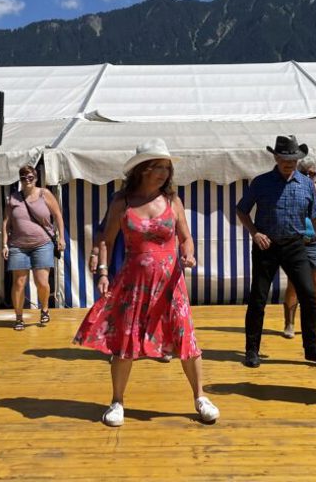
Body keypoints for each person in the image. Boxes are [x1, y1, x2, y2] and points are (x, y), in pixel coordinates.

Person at [73, 138, 219, 426]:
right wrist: (103, 271)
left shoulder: (173, 201)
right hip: (133, 283)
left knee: (185, 337)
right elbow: (107, 239)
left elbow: (186, 238)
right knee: (126, 342)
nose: (164, 173)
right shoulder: (122, 201)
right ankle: (117, 401)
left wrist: (189, 254)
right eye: (158, 167)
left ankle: (200, 397)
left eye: (166, 167)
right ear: (142, 169)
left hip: (170, 283)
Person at [237, 135, 316, 368]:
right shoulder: (261, 183)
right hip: (267, 245)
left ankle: (311, 348)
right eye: (284, 158)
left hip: (295, 244)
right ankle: (252, 350)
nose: (289, 163)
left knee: (309, 294)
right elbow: (241, 210)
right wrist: (254, 233)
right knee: (258, 297)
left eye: (293, 159)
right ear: (276, 157)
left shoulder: (307, 184)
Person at [2, 164, 66, 330]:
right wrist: (4, 244)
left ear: (36, 178)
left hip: (42, 243)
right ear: (20, 180)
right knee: (19, 282)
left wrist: (61, 238)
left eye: (30, 177)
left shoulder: (45, 194)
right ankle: (18, 317)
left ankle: (44, 309)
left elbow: (58, 215)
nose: (27, 180)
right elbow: (6, 223)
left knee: (42, 282)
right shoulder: (13, 198)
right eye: (23, 178)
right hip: (18, 245)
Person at [282, 156, 316, 338]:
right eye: (306, 173)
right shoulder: (291, 188)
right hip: (295, 242)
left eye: (313, 174)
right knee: (293, 284)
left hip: (315, 243)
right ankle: (289, 323)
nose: (310, 177)